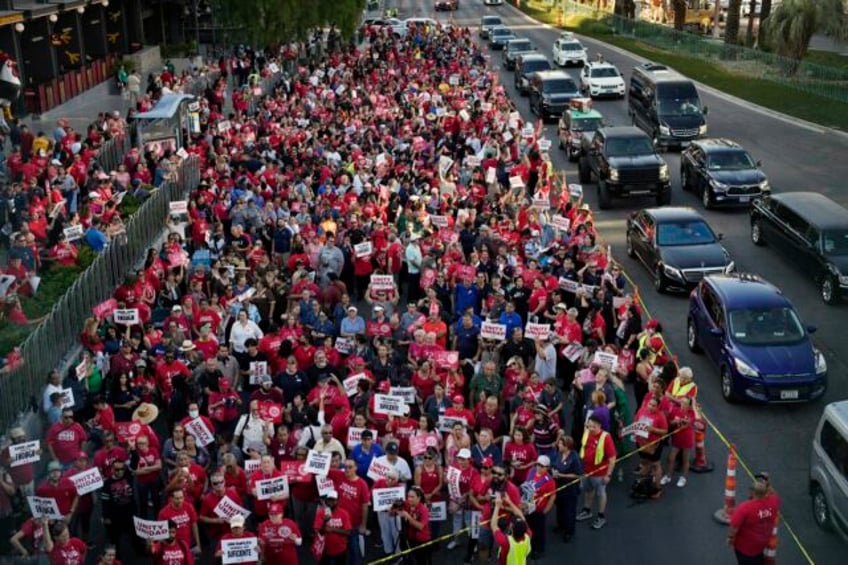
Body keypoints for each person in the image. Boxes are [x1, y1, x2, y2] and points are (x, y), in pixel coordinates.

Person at [576, 415, 616, 530]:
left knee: (600, 494)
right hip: (586, 471)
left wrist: (608, 475)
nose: (591, 428)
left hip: (600, 473)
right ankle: (587, 510)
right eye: (589, 425)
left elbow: (612, 458)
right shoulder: (587, 432)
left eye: (594, 426)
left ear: (600, 426)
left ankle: (601, 516)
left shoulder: (606, 438)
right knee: (588, 491)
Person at [728, 480, 780, 565]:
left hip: (745, 548)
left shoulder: (745, 508)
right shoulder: (774, 501)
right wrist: (767, 483)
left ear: (751, 492)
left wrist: (730, 538)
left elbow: (734, 527)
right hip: (762, 544)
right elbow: (774, 493)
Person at [552, 436, 582, 543]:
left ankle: (569, 531)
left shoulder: (574, 458)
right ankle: (560, 525)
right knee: (560, 508)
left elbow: (578, 475)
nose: (558, 445)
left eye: (560, 444)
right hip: (559, 487)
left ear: (567, 446)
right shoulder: (558, 453)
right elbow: (554, 464)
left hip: (570, 489)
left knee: (569, 511)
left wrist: (562, 475)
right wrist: (554, 471)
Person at [314, 490, 352, 565]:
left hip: (340, 549)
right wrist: (324, 522)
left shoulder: (343, 513)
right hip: (324, 550)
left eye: (333, 500)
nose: (331, 502)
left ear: (337, 501)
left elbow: (348, 532)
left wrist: (333, 529)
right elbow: (319, 533)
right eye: (329, 500)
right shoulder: (321, 513)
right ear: (326, 501)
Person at [398, 486, 431, 565]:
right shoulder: (407, 504)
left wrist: (408, 517)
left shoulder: (423, 509)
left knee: (421, 561)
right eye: (408, 496)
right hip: (410, 538)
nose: (409, 499)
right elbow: (393, 509)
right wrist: (394, 508)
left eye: (412, 497)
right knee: (409, 559)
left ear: (419, 498)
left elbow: (420, 526)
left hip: (421, 540)